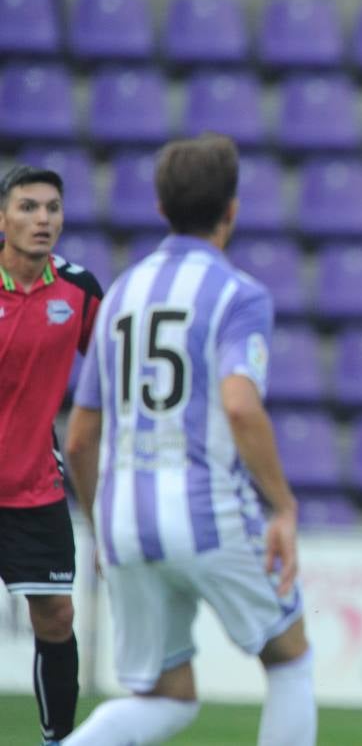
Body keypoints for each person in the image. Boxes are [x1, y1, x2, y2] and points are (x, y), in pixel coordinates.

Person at [61, 135, 316, 746]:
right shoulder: (237, 294)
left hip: (123, 517)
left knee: (166, 698)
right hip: (206, 511)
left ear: (158, 208)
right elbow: (238, 403)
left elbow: (78, 439)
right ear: (232, 209)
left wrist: (101, 524)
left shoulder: (119, 295)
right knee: (290, 660)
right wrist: (282, 505)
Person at [0, 164, 101, 745]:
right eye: (28, 207)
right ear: (3, 217)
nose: (43, 219)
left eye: (52, 208)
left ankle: (57, 740)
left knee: (57, 619)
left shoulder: (80, 291)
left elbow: (115, 369)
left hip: (34, 488)